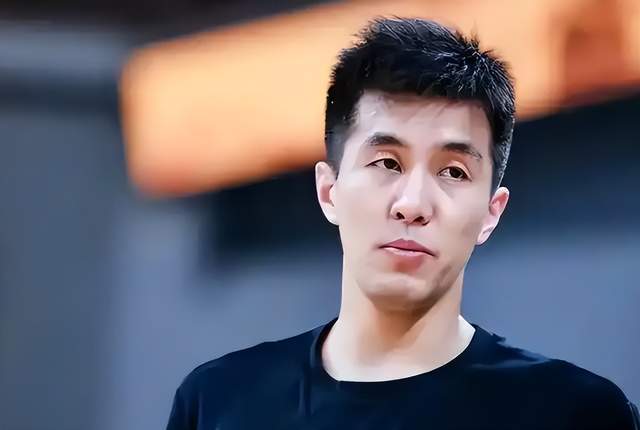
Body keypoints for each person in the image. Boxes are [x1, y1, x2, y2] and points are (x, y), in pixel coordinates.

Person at [166, 17, 639, 429]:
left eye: (453, 172)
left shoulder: (574, 413)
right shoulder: (219, 401)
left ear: (490, 213)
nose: (412, 204)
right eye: (387, 163)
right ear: (329, 191)